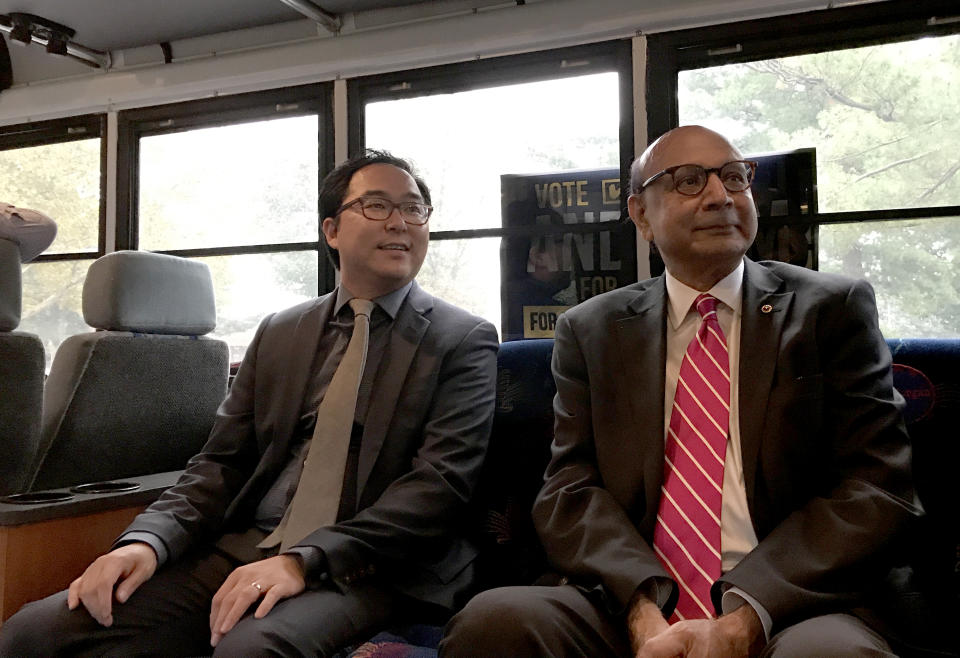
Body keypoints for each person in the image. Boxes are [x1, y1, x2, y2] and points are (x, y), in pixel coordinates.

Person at [441, 126, 921, 657]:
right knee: (497, 621)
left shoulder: (830, 309)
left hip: (793, 603)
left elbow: (876, 488)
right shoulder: (592, 329)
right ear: (641, 215)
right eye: (688, 181)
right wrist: (641, 610)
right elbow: (569, 489)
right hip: (631, 596)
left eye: (735, 177)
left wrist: (747, 614)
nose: (721, 196)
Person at [0, 150, 499, 656]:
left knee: (250, 650)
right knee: (33, 632)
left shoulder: (463, 339)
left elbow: (439, 487)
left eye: (414, 209)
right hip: (245, 545)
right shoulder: (282, 331)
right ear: (331, 229)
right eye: (376, 205)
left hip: (369, 565)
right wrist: (147, 540)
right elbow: (221, 462)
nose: (399, 222)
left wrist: (304, 560)